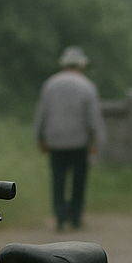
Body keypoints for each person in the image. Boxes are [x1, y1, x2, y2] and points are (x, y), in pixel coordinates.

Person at [34, 45, 106, 231]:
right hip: (79, 141)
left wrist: (40, 138)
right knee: (78, 180)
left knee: (58, 180)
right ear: (81, 65)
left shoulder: (50, 84)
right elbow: (94, 118)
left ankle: (59, 216)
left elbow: (42, 113)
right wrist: (96, 141)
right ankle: (75, 216)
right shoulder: (87, 86)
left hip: (55, 140)